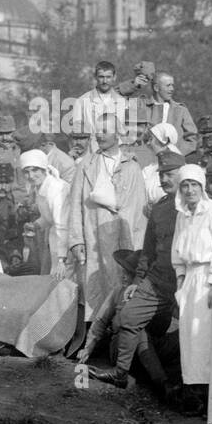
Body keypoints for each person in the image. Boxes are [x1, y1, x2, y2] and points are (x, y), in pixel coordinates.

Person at [84, 151, 186, 404]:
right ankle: (121, 373)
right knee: (129, 316)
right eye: (161, 174)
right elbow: (149, 251)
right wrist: (138, 282)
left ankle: (191, 388)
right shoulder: (160, 208)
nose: (164, 179)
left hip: (187, 279)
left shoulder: (195, 206)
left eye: (170, 174)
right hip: (159, 280)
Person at [66, 112, 148, 317]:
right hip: (95, 236)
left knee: (124, 289)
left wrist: (140, 246)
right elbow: (75, 204)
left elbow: (140, 209)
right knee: (96, 292)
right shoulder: (87, 165)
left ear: (117, 134)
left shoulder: (132, 167)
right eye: (97, 131)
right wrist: (76, 240)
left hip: (125, 237)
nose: (99, 135)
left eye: (105, 131)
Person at [171, 163, 212, 389]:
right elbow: (177, 249)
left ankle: (210, 391)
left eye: (194, 185)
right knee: (189, 338)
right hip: (190, 279)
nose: (190, 190)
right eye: (185, 185)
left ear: (202, 186)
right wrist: (180, 281)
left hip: (208, 277)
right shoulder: (182, 215)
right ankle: (193, 387)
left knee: (204, 335)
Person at [20, 149, 70, 278]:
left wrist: (62, 259)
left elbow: (62, 224)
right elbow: (49, 217)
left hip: (67, 241)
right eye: (26, 172)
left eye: (35, 170)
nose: (31, 175)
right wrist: (36, 225)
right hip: (55, 240)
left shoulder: (56, 189)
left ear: (44, 169)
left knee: (65, 280)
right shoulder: (39, 188)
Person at [73, 61, 126, 152]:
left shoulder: (123, 103)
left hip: (116, 153)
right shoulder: (81, 101)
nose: (105, 81)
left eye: (108, 77)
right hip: (91, 152)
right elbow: (76, 133)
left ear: (114, 77)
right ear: (95, 77)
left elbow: (125, 134)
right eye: (101, 77)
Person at [143, 72, 198, 153]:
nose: (172, 89)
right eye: (168, 85)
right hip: (147, 156)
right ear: (156, 88)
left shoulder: (181, 110)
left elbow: (192, 137)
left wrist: (177, 153)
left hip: (174, 158)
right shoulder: (142, 108)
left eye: (172, 85)